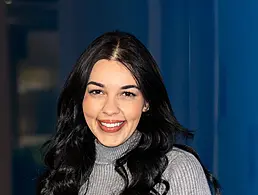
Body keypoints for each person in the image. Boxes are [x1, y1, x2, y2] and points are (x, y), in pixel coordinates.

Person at [37, 31, 221, 195]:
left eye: (127, 94)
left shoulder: (177, 168)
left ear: (146, 103)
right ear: (81, 98)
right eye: (97, 92)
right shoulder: (63, 174)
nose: (110, 109)